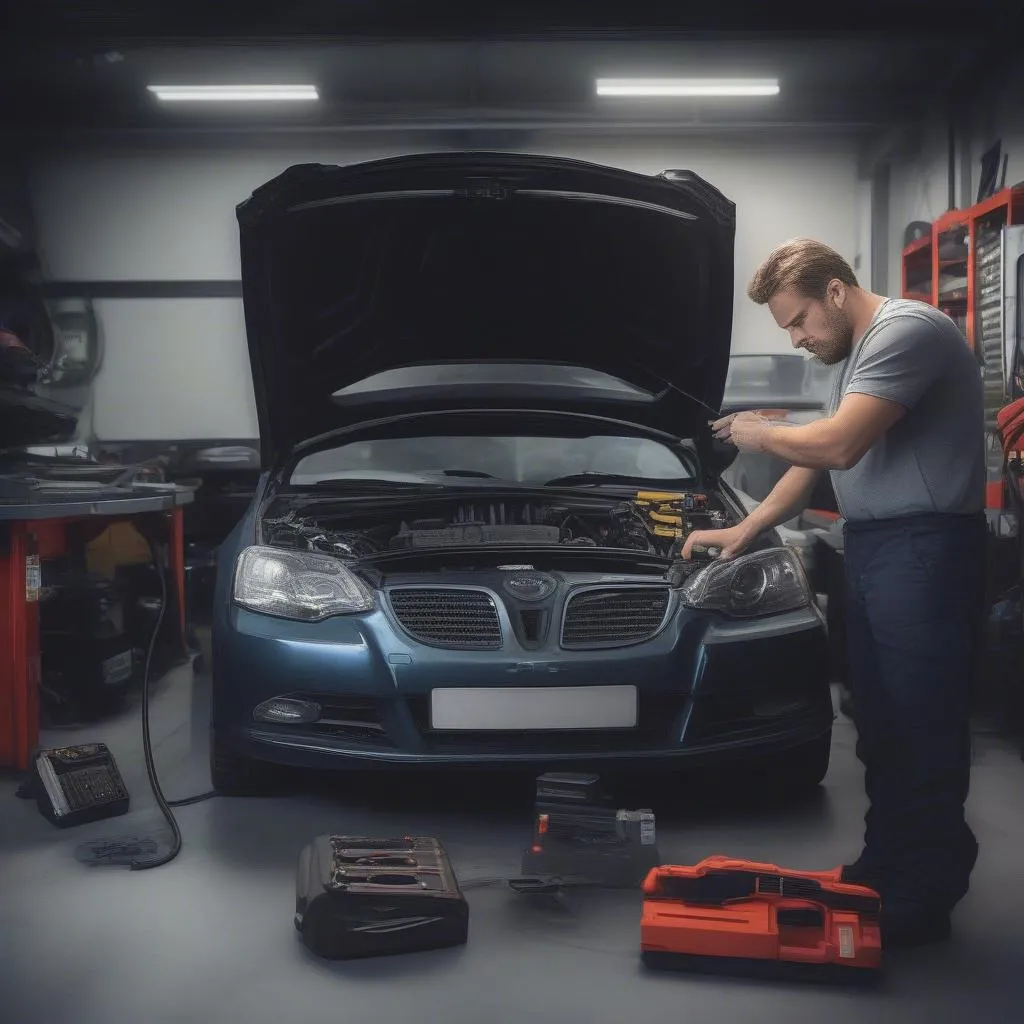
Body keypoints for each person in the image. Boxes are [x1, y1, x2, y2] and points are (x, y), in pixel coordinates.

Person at [683, 238, 986, 949]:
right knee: (879, 721)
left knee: (922, 725)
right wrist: (748, 528)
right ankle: (885, 869)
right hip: (879, 548)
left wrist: (761, 433)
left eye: (798, 321)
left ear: (836, 294)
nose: (796, 336)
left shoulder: (907, 331)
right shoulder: (850, 356)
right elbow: (819, 455)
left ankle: (927, 889)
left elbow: (836, 446)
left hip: (928, 549)